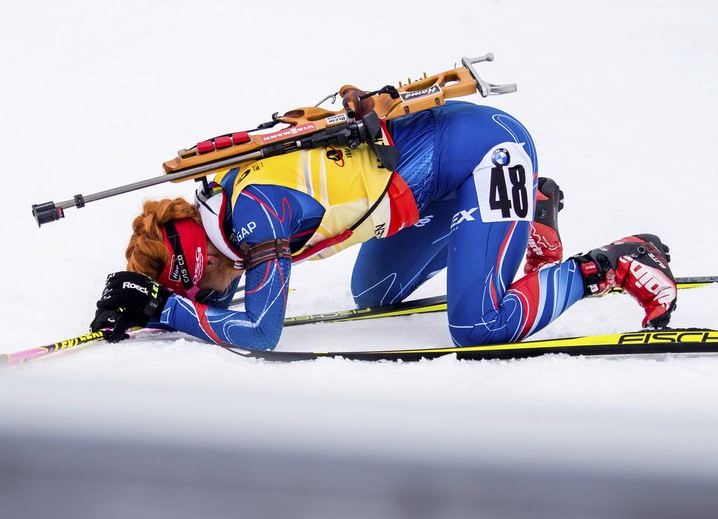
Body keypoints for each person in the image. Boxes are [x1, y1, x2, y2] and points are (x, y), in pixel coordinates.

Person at [90, 88, 678, 350]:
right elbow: (220, 308)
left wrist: (165, 308)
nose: (211, 299)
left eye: (193, 289)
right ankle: (533, 215)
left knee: (479, 326)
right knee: (373, 295)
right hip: (436, 187)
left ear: (198, 261)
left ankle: (615, 265)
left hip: (487, 151)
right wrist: (168, 307)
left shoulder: (252, 217)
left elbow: (260, 333)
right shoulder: (223, 201)